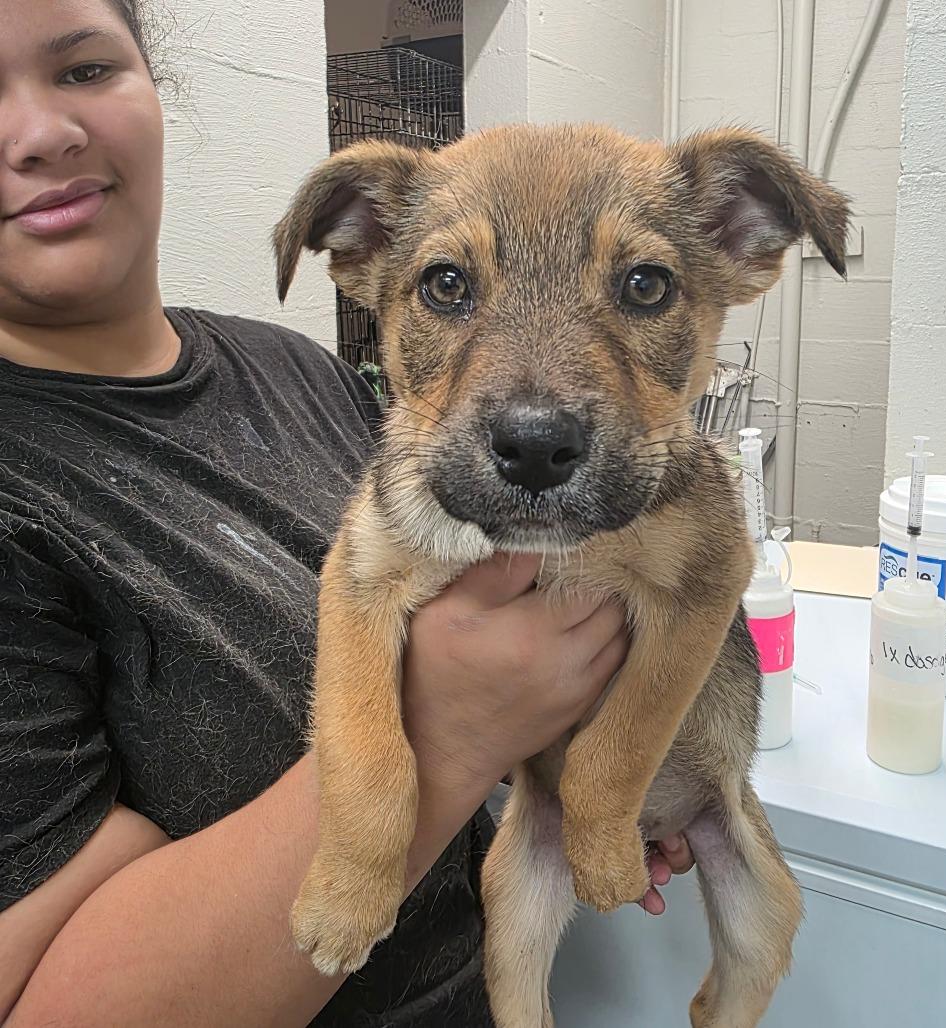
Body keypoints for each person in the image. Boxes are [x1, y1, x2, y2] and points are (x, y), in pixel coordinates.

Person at [0, 2, 694, 1025]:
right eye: (448, 283)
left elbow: (466, 623)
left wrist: (568, 761)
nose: (41, 131)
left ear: (151, 86)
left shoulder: (293, 368)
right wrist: (451, 726)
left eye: (85, 68)